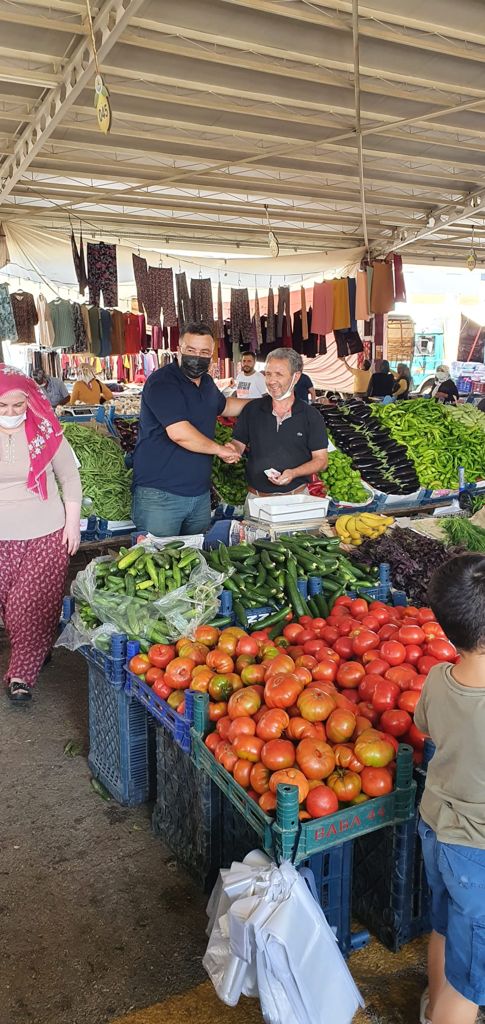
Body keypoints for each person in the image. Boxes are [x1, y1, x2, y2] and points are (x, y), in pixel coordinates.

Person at [415, 553, 485, 1024]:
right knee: (472, 982)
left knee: (443, 927)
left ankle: (432, 1005)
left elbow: (428, 729)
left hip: (436, 827)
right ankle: (448, 1011)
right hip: (477, 852)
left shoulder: (438, 680)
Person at [0, 365, 82, 704]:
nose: (11, 413)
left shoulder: (47, 431)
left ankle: (21, 674)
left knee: (29, 604)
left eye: (17, 405)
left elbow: (70, 478)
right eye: (3, 406)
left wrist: (73, 522)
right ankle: (38, 646)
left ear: (30, 400)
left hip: (46, 531)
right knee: (8, 605)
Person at [132, 321, 246, 536]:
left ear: (212, 355)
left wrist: (263, 403)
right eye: (191, 350)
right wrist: (221, 450)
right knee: (159, 560)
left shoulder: (206, 383)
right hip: (161, 496)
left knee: (196, 561)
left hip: (199, 495)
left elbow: (225, 406)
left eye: (204, 352)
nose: (197, 357)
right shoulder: (163, 383)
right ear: (179, 350)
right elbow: (180, 434)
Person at [230, 348, 328, 496]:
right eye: (268, 374)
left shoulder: (311, 416)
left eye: (279, 374)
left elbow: (321, 460)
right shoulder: (252, 410)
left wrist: (293, 473)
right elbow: (239, 443)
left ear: (296, 377)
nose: (271, 381)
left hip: (296, 498)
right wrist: (233, 450)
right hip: (256, 497)